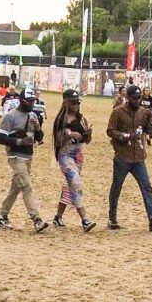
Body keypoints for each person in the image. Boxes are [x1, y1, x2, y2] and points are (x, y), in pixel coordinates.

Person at [105, 85, 152, 232]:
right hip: (123, 156)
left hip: (139, 157)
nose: (137, 101)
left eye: (139, 98)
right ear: (128, 98)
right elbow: (110, 130)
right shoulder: (118, 112)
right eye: (134, 98)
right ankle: (112, 218)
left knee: (146, 187)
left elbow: (149, 131)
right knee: (117, 187)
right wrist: (124, 136)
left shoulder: (143, 112)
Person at [0, 87, 49, 233]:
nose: (31, 104)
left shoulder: (33, 115)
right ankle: (36, 219)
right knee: (26, 187)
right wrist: (19, 142)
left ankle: (2, 215)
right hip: (15, 155)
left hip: (28, 156)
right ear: (20, 100)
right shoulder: (10, 116)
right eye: (29, 101)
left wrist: (38, 129)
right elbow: (0, 138)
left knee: (16, 188)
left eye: (33, 101)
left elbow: (39, 137)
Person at [51, 89, 96, 232]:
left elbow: (87, 141)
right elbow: (57, 141)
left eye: (77, 102)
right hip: (65, 156)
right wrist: (69, 134)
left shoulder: (82, 119)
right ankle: (84, 219)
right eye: (73, 102)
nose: (76, 105)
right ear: (66, 103)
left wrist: (88, 134)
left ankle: (58, 216)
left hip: (78, 156)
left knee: (69, 185)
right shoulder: (60, 120)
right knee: (75, 183)